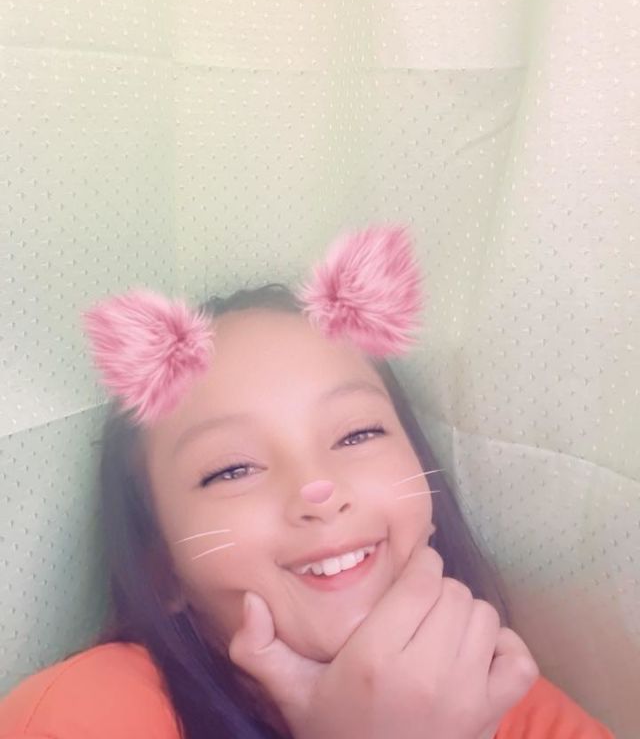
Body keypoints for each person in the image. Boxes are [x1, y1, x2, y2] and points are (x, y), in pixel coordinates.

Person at [0, 226, 615, 739]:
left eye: (357, 434)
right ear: (162, 570)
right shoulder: (83, 713)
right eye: (232, 469)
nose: (317, 490)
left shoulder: (521, 704)